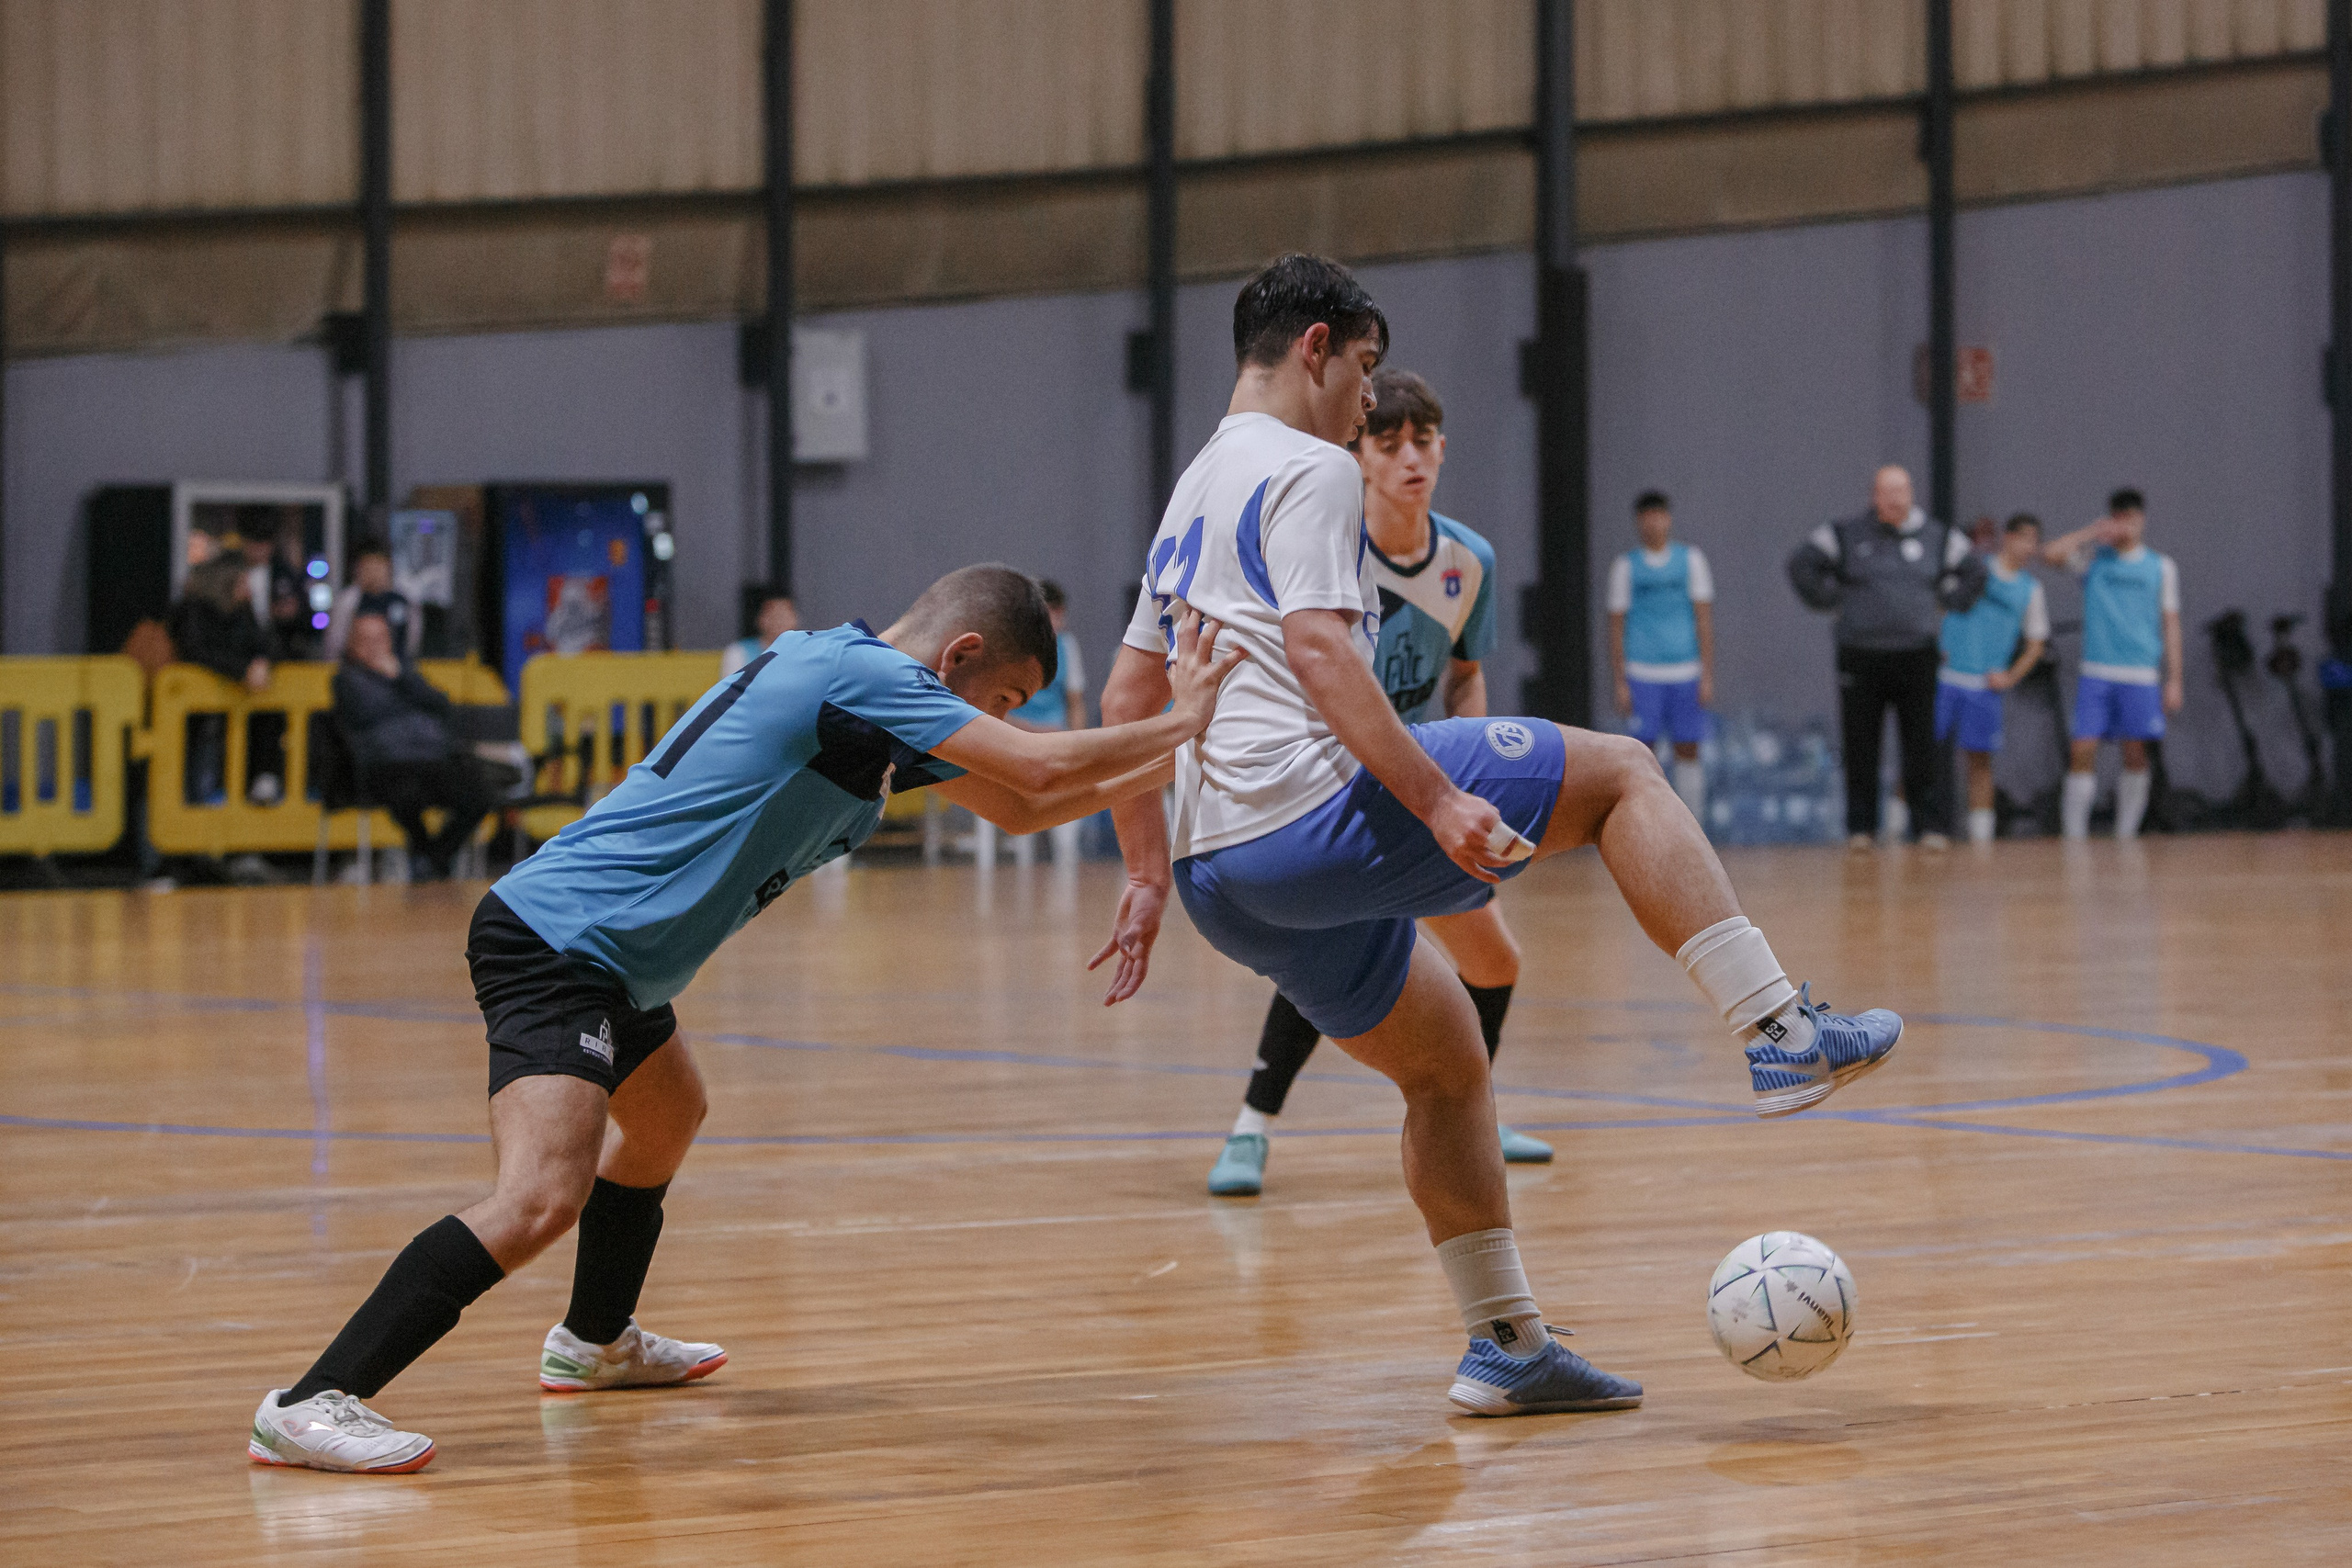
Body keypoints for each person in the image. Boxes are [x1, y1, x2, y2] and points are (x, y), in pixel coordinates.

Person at [1095, 254, 1904, 1418]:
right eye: (1366, 371)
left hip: (1221, 872)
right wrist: (1432, 797)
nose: (1371, 406)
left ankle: (1507, 1346)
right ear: (1316, 345)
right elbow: (1322, 652)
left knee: (1445, 1064)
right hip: (1313, 815)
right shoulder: (1311, 468)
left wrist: (1142, 873)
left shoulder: (1194, 487)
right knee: (1625, 774)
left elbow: (1129, 702)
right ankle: (1779, 1028)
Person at [248, 565, 1242, 1472]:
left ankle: (593, 1345)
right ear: (960, 658)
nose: (1001, 719)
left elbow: (1023, 807)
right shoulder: (861, 674)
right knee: (540, 1196)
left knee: (670, 1114)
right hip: (560, 942)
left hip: (616, 960)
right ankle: (311, 1401)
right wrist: (1184, 720)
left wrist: (1184, 763)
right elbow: (1035, 769)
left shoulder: (868, 707)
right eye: (1004, 701)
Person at [1204, 367, 1550, 1201]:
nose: (1410, 458)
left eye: (1423, 440)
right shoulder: (1331, 546)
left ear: (1442, 448)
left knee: (1495, 960)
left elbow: (1465, 675)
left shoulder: (1470, 559)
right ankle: (1250, 1127)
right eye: (1388, 441)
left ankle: (1472, 1108)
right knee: (1350, 947)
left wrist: (1477, 762)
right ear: (1357, 456)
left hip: (1421, 774)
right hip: (1329, 779)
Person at [1789, 465, 1985, 849]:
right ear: (1874, 496)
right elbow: (1801, 564)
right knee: (1860, 744)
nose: (1895, 500)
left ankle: (1929, 827)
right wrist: (1830, 599)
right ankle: (1860, 829)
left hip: (1917, 655)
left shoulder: (1937, 535)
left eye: (1901, 492)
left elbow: (1975, 572)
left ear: (1911, 494)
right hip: (1860, 655)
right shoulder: (1845, 534)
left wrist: (1947, 601)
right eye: (1886, 492)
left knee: (1921, 745)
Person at [2042, 489, 2183, 840]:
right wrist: (2091, 532)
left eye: (2132, 518)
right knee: (2083, 748)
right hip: (2098, 670)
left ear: (2143, 519)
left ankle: (2126, 834)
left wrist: (2175, 678)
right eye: (2120, 518)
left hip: (2140, 673)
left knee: (2135, 752)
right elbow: (2050, 554)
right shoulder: (2094, 560)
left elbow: (2171, 623)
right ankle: (2074, 835)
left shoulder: (2160, 566)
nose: (2127, 525)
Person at [332, 614, 507, 881]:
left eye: (380, 638)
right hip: (385, 765)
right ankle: (430, 861)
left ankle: (432, 858)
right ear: (352, 644)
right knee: (404, 796)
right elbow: (369, 712)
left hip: (432, 759)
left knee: (479, 794)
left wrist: (401, 679)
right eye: (365, 640)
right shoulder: (346, 680)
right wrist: (404, 693)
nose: (374, 646)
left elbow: (441, 705)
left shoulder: (405, 673)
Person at [1936, 513, 2048, 845]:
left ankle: (1981, 840)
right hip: (1946, 678)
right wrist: (1937, 644)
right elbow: (1940, 602)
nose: (2028, 547)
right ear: (2008, 537)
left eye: (2033, 541)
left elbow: (2035, 644)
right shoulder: (1975, 569)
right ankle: (1901, 829)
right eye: (2023, 538)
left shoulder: (2030, 589)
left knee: (1980, 762)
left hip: (1984, 687)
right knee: (1924, 756)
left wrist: (2011, 676)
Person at [1607, 491, 1714, 825]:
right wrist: (1621, 681)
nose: (1654, 523)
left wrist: (1707, 673)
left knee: (1688, 747)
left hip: (1685, 671)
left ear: (1668, 519)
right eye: (1647, 516)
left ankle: (1691, 822)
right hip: (1643, 673)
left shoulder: (1691, 560)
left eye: (1659, 515)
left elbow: (1703, 619)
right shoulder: (1625, 567)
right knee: (1641, 752)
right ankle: (1645, 823)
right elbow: (1616, 626)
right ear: (1639, 521)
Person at [166, 557, 272, 808]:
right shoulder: (191, 611)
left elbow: (266, 645)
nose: (249, 591)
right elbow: (196, 651)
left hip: (234, 716)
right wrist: (241, 670)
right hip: (193, 719)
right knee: (193, 783)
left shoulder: (243, 613)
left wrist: (262, 662)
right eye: (242, 583)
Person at [1003, 580, 1091, 865]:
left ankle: (1067, 862)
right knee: (1023, 820)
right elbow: (998, 711)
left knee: (1068, 822)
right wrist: (1031, 732)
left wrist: (1078, 744)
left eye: (1058, 612)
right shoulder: (1012, 650)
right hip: (1017, 740)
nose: (1055, 620)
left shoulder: (1068, 646)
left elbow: (1075, 703)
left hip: (1055, 740)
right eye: (1048, 613)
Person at [323, 544, 422, 663]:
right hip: (356, 667)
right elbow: (335, 641)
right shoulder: (349, 600)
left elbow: (412, 639)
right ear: (358, 570)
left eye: (379, 566)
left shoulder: (402, 599)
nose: (374, 572)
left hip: (395, 667)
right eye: (368, 567)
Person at [722, 589, 799, 677]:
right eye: (773, 616)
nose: (779, 622)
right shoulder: (738, 652)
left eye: (784, 616)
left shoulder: (806, 653)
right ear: (760, 619)